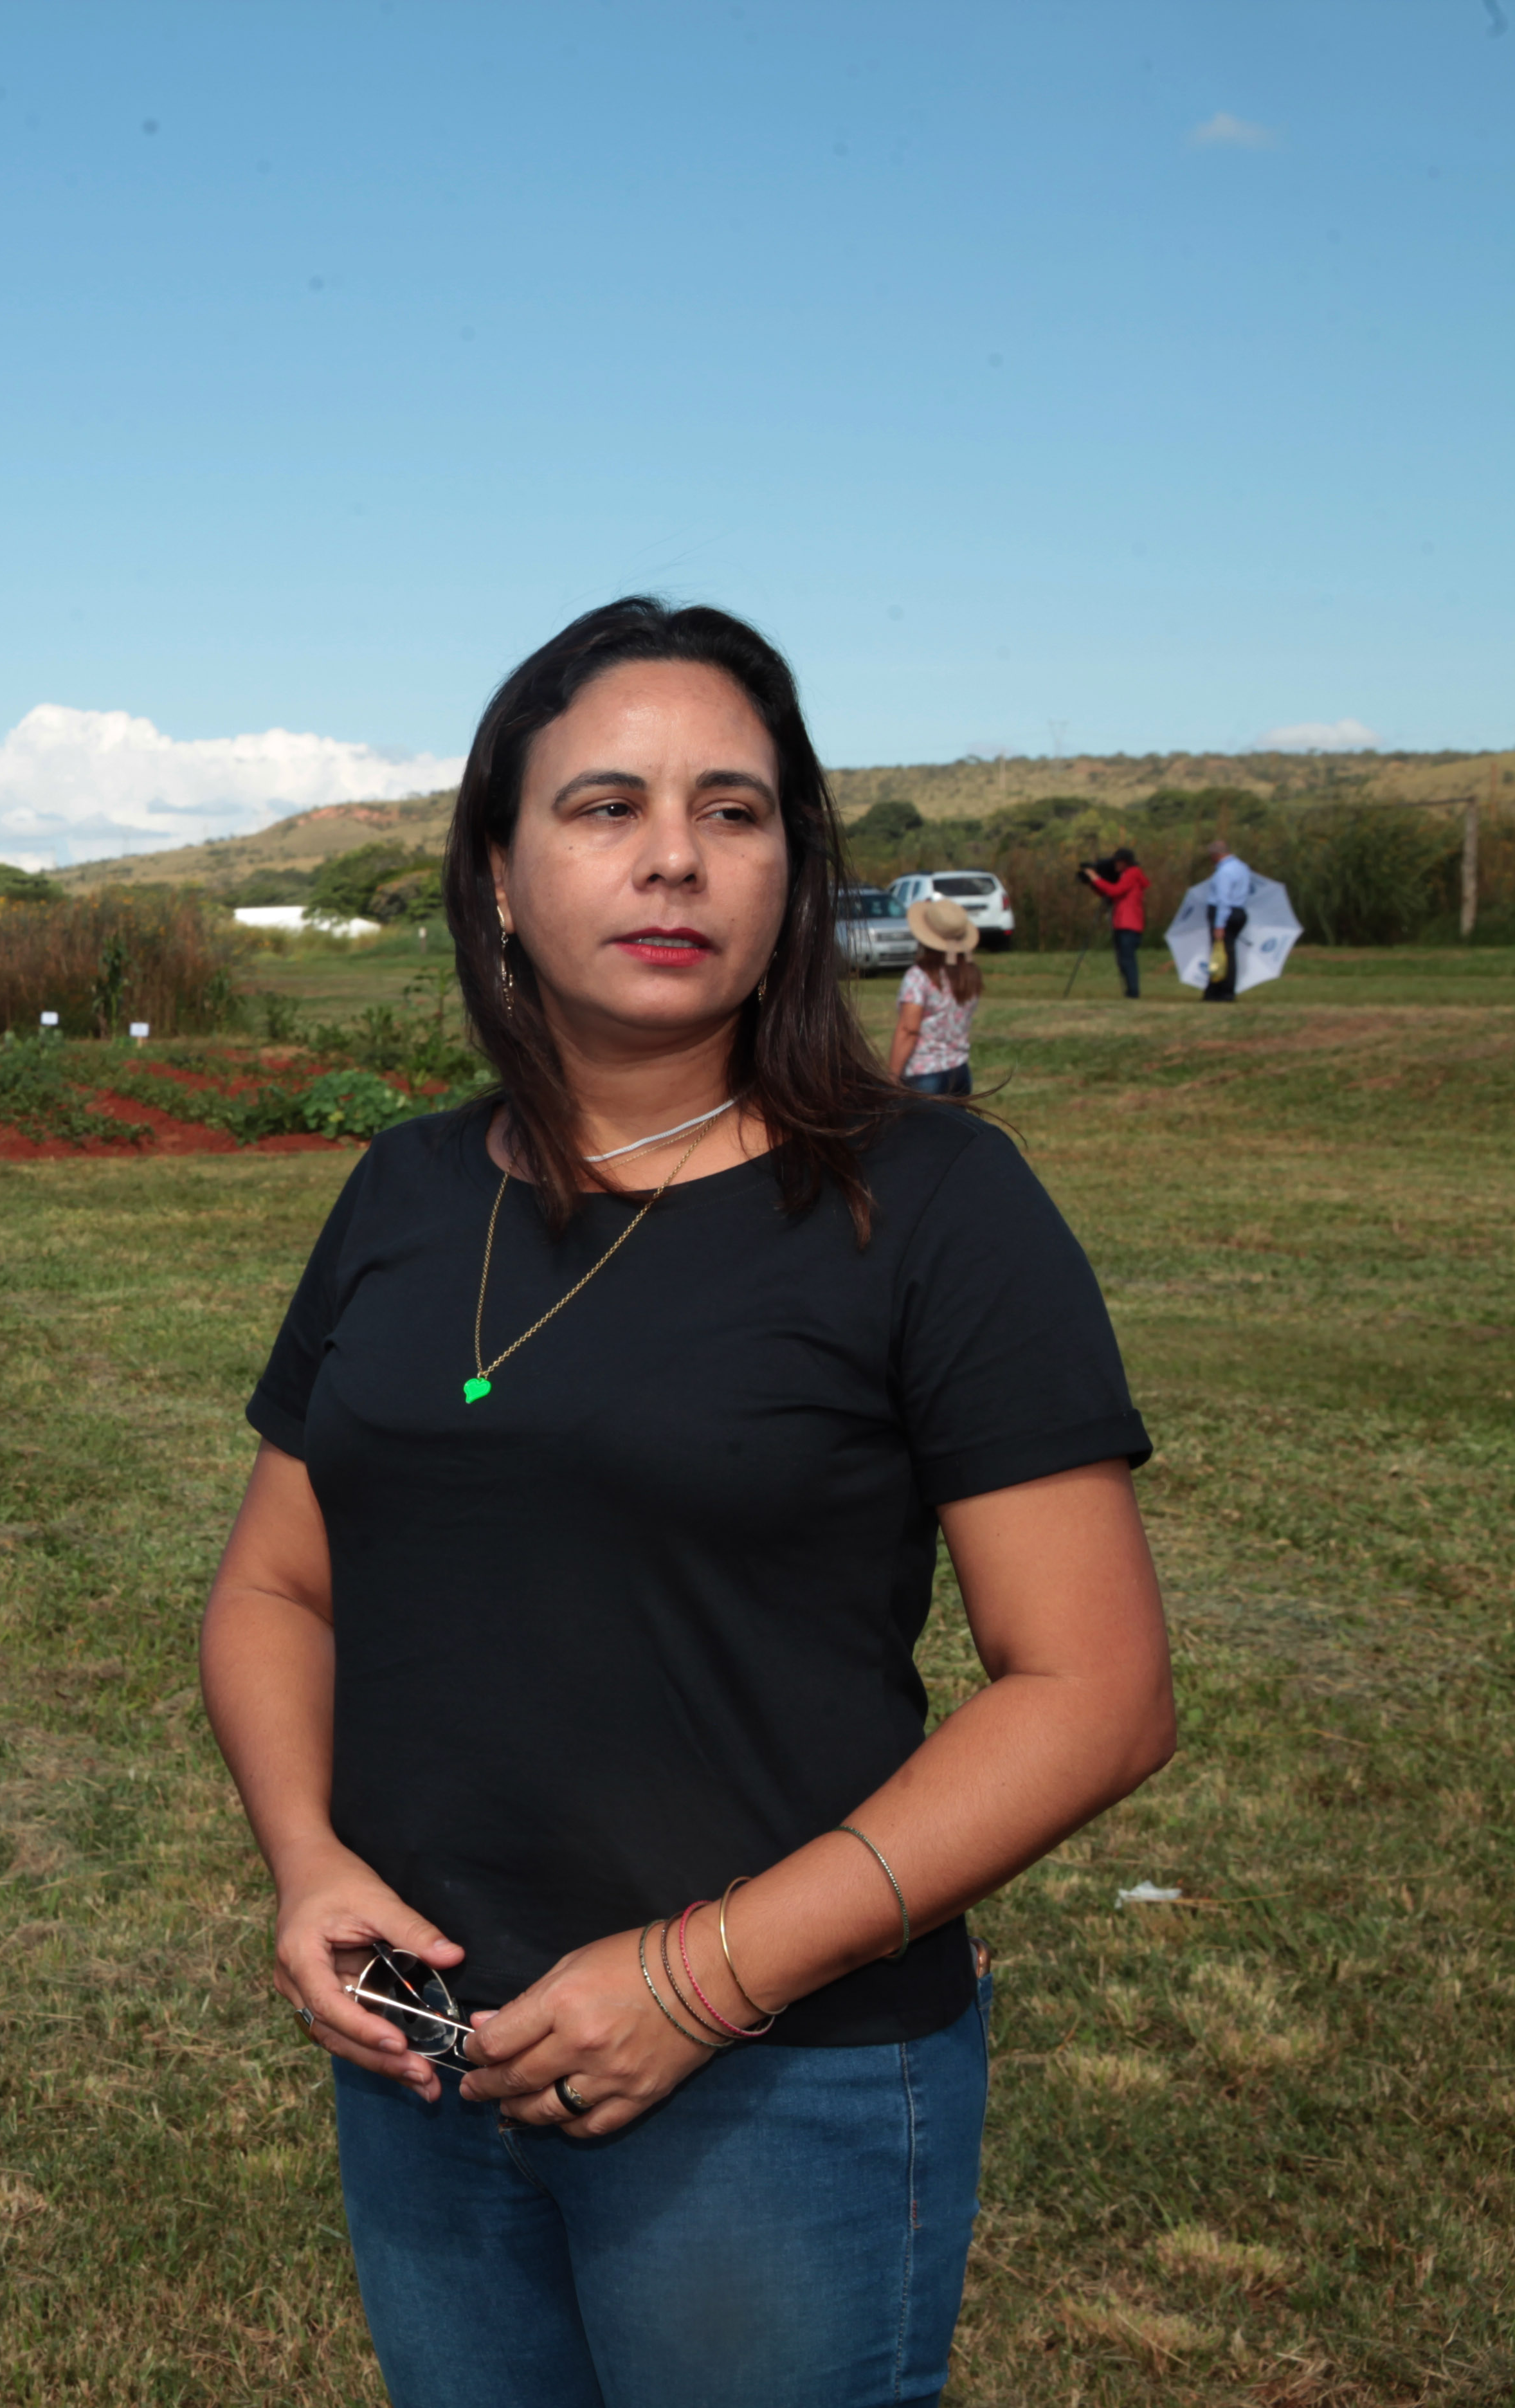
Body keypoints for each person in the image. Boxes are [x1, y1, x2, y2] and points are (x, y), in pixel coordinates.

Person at [202, 596, 1174, 2408]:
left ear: (796, 874)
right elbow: (278, 1590)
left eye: (735, 811)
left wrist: (704, 1977)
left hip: (777, 2091)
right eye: (604, 807)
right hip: (428, 2064)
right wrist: (309, 1861)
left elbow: (1097, 1691)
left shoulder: (931, 1205)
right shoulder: (404, 1192)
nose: (673, 858)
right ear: (495, 873)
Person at [889, 895, 983, 1096]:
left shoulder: (919, 977)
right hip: (960, 1071)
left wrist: (893, 1076)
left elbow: (909, 1030)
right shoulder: (969, 975)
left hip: (925, 1074)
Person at [1077, 846, 1150, 998]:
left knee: (1127, 960)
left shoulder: (1133, 874)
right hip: (1122, 923)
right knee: (1123, 960)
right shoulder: (1125, 875)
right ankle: (1130, 991)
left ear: (1125, 862)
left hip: (1129, 924)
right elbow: (1108, 894)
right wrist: (1093, 883)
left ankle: (1133, 992)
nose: (1115, 865)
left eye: (1118, 862)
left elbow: (1115, 891)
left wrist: (1096, 878)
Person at [1203, 837, 1256, 1004]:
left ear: (1217, 855)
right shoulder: (1242, 867)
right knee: (1229, 952)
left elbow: (1223, 900)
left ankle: (1220, 991)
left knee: (1221, 952)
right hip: (1239, 911)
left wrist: (1220, 924)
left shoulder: (1224, 872)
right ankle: (1223, 990)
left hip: (1225, 914)